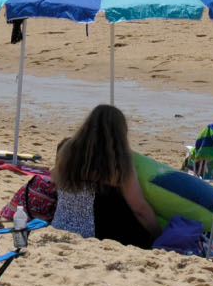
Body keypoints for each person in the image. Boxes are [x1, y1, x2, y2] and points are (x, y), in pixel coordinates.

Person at [51, 105, 162, 249]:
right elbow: (139, 209)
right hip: (96, 234)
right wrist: (159, 234)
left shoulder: (66, 150)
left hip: (60, 225)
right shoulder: (117, 163)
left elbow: (53, 176)